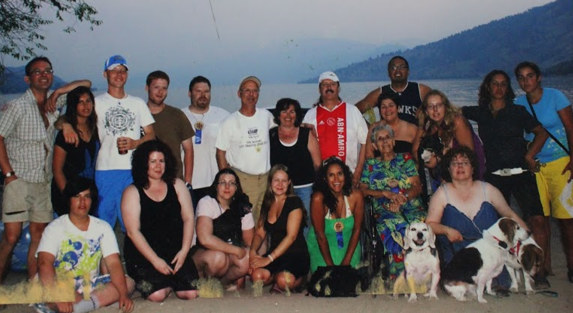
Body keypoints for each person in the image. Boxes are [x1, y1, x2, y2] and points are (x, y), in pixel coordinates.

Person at [0, 56, 90, 283]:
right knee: (11, 238)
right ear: (27, 78)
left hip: (43, 182)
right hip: (19, 180)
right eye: (37, 72)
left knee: (39, 237)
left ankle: (33, 288)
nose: (43, 75)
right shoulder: (16, 106)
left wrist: (59, 94)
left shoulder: (53, 105)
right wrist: (8, 174)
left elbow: (86, 84)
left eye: (47, 70)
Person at [462, 70, 551, 287]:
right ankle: (500, 273)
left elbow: (542, 132)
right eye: (495, 83)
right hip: (494, 176)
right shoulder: (480, 112)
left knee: (537, 220)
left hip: (521, 173)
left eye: (503, 84)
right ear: (487, 87)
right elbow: (450, 112)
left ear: (508, 88)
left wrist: (530, 155)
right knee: (497, 225)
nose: (499, 88)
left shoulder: (518, 111)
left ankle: (538, 272)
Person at [426, 147, 529, 280]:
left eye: (465, 162)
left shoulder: (488, 190)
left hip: (491, 255)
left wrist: (528, 237)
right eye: (455, 163)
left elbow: (510, 215)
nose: (460, 166)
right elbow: (430, 225)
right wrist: (446, 230)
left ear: (473, 168)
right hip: (459, 256)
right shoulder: (441, 194)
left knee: (499, 285)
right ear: (448, 169)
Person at [35, 178, 134, 313]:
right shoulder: (55, 227)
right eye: (77, 196)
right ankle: (76, 304)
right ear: (69, 200)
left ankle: (79, 307)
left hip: (87, 285)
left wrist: (123, 295)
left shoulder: (102, 227)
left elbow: (114, 264)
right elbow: (44, 263)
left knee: (127, 283)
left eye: (87, 197)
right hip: (57, 283)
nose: (82, 202)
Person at [514, 61, 573, 284]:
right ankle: (544, 266)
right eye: (521, 77)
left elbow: (570, 128)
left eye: (530, 76)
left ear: (539, 77)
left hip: (561, 163)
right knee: (540, 219)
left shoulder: (555, 96)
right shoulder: (518, 103)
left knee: (566, 220)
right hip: (535, 166)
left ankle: (571, 266)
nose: (525, 80)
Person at [121, 140, 198, 302]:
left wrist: (184, 252)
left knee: (191, 293)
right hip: (145, 255)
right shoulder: (132, 191)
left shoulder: (178, 185)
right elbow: (132, 232)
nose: (158, 166)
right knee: (157, 295)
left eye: (161, 161)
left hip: (175, 252)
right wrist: (155, 261)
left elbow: (189, 218)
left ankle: (169, 281)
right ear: (144, 164)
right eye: (153, 161)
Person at [93, 55, 155, 230]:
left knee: (133, 220)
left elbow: (151, 134)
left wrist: (136, 143)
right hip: (106, 170)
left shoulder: (137, 103)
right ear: (105, 74)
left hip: (133, 169)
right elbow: (72, 121)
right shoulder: (96, 103)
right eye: (114, 71)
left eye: (123, 71)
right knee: (103, 220)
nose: (119, 75)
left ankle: (132, 257)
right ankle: (104, 257)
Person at [359, 125, 426, 282]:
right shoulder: (370, 165)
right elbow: (362, 191)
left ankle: (422, 275)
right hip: (385, 207)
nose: (384, 142)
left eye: (387, 138)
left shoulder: (406, 159)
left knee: (419, 224)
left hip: (410, 202)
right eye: (379, 139)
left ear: (393, 141)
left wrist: (401, 199)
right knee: (395, 225)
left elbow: (417, 186)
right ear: (375, 145)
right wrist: (383, 193)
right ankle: (401, 277)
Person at [216, 76, 274, 222]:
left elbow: (283, 131)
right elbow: (220, 153)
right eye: (247, 91)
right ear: (239, 94)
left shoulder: (266, 116)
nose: (251, 95)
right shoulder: (229, 122)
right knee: (245, 222)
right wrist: (227, 179)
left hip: (266, 179)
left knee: (264, 222)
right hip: (244, 180)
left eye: (255, 91)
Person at [413, 89, 486, 198]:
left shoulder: (457, 122)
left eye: (439, 105)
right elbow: (415, 151)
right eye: (431, 106)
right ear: (426, 111)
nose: (435, 110)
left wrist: (438, 159)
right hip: (442, 179)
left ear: (446, 107)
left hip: (464, 180)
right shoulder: (429, 127)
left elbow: (469, 155)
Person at [249, 165, 309, 292]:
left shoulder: (294, 202)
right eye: (276, 180)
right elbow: (260, 233)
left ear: (289, 183)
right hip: (275, 254)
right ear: (270, 182)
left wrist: (268, 259)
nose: (280, 184)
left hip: (295, 254)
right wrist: (253, 253)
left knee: (284, 281)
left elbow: (291, 237)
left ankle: (301, 278)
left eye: (284, 180)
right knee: (256, 276)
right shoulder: (267, 203)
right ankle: (276, 277)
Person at [302, 71, 368, 186]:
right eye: (324, 84)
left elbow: (365, 142)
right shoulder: (310, 115)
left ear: (338, 88)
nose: (329, 87)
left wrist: (357, 172)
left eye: (332, 84)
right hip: (321, 178)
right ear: (319, 89)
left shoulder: (352, 111)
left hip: (349, 176)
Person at [191, 168, 254, 290]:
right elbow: (205, 239)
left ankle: (223, 284)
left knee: (247, 257)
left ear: (236, 188)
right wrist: (235, 250)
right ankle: (204, 283)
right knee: (218, 257)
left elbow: (249, 241)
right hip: (203, 254)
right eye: (222, 182)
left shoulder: (242, 206)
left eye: (231, 183)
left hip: (229, 253)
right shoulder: (207, 202)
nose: (227, 186)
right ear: (216, 186)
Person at [270, 98, 321, 230]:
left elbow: (317, 164)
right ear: (278, 114)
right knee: (280, 226)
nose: (288, 116)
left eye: (292, 112)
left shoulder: (307, 134)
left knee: (306, 225)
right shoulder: (271, 134)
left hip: (305, 189)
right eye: (284, 111)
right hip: (280, 189)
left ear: (297, 115)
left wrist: (319, 188)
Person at [306, 157, 364, 273]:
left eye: (339, 174)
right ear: (325, 179)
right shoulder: (318, 199)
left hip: (348, 245)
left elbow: (357, 230)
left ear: (345, 176)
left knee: (350, 283)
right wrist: (331, 268)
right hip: (323, 246)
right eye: (331, 175)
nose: (336, 179)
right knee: (325, 284)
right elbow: (320, 235)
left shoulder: (356, 196)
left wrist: (346, 262)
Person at [182, 76, 230, 207]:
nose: (203, 95)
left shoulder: (224, 116)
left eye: (206, 91)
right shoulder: (179, 117)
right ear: (189, 93)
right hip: (190, 185)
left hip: (216, 184)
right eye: (198, 91)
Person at [52, 86, 100, 216]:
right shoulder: (66, 134)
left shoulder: (94, 128)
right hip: (69, 193)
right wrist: (70, 197)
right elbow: (57, 171)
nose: (86, 106)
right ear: (73, 105)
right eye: (80, 102)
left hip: (88, 192)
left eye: (88, 101)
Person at [145, 70, 194, 187]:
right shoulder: (138, 114)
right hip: (145, 183)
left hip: (173, 182)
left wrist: (187, 182)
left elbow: (189, 150)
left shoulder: (177, 115)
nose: (160, 92)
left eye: (164, 88)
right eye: (156, 87)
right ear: (147, 88)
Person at [355, 56, 431, 125]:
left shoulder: (420, 90)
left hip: (415, 138)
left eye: (402, 67)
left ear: (408, 71)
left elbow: (440, 107)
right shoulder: (380, 93)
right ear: (388, 72)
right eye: (393, 68)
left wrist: (424, 110)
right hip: (389, 138)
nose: (398, 71)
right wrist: (370, 127)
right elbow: (355, 110)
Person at [365, 93, 418, 157]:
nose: (387, 110)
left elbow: (418, 155)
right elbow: (369, 154)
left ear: (398, 108)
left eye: (391, 105)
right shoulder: (374, 128)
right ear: (380, 111)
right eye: (383, 107)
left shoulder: (412, 129)